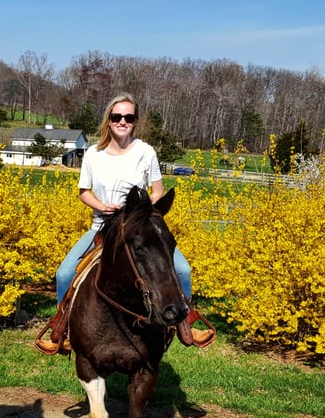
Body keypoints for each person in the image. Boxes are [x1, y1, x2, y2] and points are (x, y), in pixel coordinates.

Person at [35, 92, 213, 354]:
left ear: (135, 121)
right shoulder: (94, 154)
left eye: (128, 117)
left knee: (183, 270)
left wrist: (141, 213)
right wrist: (103, 207)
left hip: (137, 229)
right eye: (117, 116)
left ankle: (185, 323)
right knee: (64, 273)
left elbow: (157, 191)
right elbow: (84, 191)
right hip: (102, 227)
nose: (122, 121)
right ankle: (64, 330)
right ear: (109, 120)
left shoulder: (145, 151)